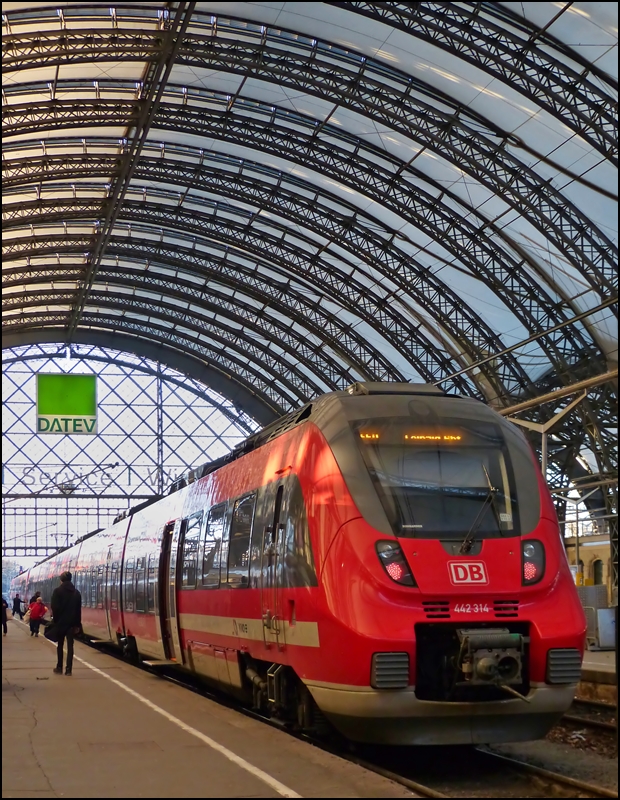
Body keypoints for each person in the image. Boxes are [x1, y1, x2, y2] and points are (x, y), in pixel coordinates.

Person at [50, 571, 81, 676]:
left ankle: (59, 667)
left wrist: (56, 621)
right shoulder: (76, 593)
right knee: (70, 647)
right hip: (71, 624)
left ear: (61, 580)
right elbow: (78, 611)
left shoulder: (57, 591)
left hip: (61, 623)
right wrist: (77, 625)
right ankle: (68, 670)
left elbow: (54, 608)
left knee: (60, 645)